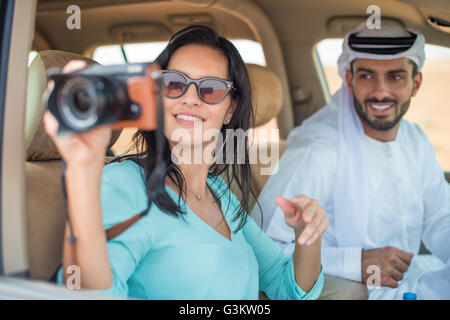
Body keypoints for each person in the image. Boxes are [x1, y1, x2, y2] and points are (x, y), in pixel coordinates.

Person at [43, 25, 327, 299]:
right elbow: (89, 295)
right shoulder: (122, 184)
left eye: (211, 89)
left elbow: (286, 288)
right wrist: (82, 168)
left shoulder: (219, 193)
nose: (190, 98)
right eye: (174, 83)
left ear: (231, 109)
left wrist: (307, 236)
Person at [253, 22, 450, 300]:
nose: (381, 92)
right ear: (349, 79)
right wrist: (355, 262)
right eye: (367, 76)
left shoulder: (416, 139)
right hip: (355, 290)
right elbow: (263, 251)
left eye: (395, 77)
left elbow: (441, 219)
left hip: (410, 277)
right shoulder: (318, 152)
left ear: (415, 83)